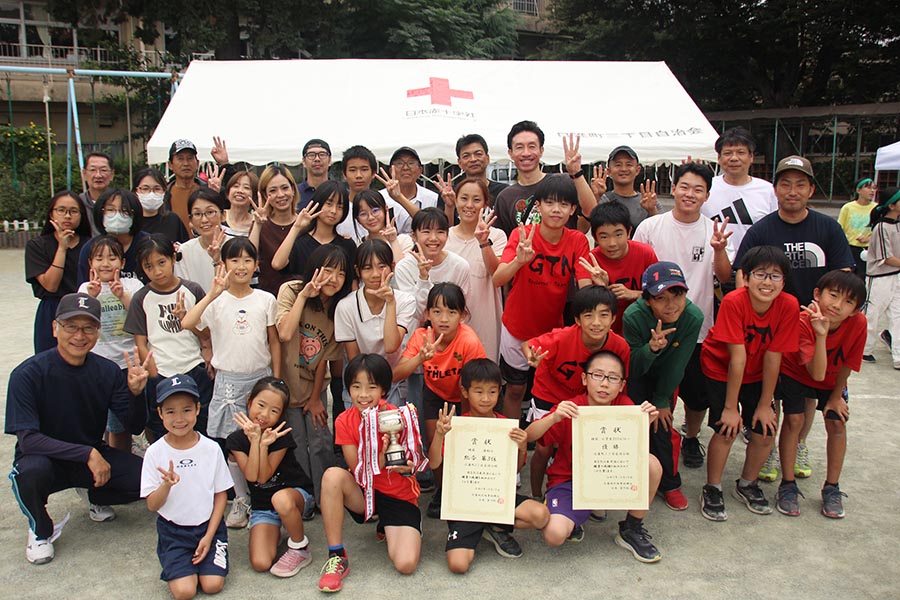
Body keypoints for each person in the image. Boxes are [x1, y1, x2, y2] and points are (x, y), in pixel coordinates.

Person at [735, 155, 854, 481]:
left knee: (808, 392)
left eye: (800, 184)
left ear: (811, 189)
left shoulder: (828, 228)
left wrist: (830, 319)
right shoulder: (762, 230)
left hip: (817, 327)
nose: (792, 191)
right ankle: (769, 446)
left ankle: (799, 443)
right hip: (772, 327)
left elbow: (844, 278)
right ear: (775, 190)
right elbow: (742, 276)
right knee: (771, 390)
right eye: (785, 184)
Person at [7, 293, 149, 565]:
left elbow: (134, 425)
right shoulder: (27, 374)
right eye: (71, 326)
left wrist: (134, 393)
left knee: (148, 480)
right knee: (28, 473)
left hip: (88, 458)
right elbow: (28, 442)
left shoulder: (106, 371)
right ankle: (40, 529)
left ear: (97, 332)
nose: (79, 335)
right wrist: (87, 454)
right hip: (44, 458)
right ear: (55, 328)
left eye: (88, 327)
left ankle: (92, 494)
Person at [633, 163, 734, 472]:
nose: (690, 194)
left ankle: (691, 436)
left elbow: (726, 276)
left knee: (696, 394)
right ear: (673, 189)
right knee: (651, 386)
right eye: (685, 187)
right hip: (655, 326)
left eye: (698, 189)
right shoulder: (651, 227)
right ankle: (649, 443)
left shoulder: (712, 230)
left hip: (698, 327)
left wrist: (718, 251)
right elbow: (641, 275)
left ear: (706, 195)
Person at [525, 350, 663, 562]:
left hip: (609, 477)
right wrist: (553, 417)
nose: (604, 384)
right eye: (597, 375)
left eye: (613, 378)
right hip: (569, 481)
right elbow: (529, 436)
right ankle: (575, 513)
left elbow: (634, 454)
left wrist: (645, 420)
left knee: (651, 464)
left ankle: (631, 528)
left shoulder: (626, 407)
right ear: (584, 378)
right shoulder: (571, 407)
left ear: (622, 385)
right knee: (554, 535)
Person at [181, 237, 280, 529]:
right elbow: (188, 323)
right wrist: (212, 294)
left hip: (260, 379)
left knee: (261, 439)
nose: (241, 266)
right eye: (234, 260)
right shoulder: (216, 301)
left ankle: (263, 494)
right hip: (228, 382)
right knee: (233, 443)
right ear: (223, 265)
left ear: (256, 265)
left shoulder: (265, 299)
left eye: (247, 260)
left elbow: (274, 340)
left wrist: (276, 376)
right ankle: (241, 498)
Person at [699, 246, 799, 521]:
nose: (767, 282)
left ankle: (747, 483)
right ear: (746, 277)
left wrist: (766, 404)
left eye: (775, 276)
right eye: (760, 274)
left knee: (766, 429)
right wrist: (732, 409)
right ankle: (713, 487)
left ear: (784, 281)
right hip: (721, 367)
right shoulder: (734, 301)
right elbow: (737, 359)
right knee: (726, 428)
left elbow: (773, 357)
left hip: (757, 371)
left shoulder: (789, 305)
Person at [317, 354, 427, 592]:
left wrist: (408, 466)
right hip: (364, 493)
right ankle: (336, 556)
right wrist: (379, 455)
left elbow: (413, 461)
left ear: (384, 390)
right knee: (332, 476)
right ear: (348, 389)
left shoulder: (398, 416)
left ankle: (398, 524)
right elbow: (357, 470)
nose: (363, 395)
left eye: (372, 387)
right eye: (356, 387)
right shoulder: (345, 420)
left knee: (405, 564)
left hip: (397, 494)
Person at [429, 359, 549, 572]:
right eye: (479, 392)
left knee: (541, 516)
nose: (486, 399)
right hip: (464, 504)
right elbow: (435, 463)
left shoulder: (505, 426)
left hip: (494, 497)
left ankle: (492, 525)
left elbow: (513, 471)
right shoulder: (456, 426)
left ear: (499, 392)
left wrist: (522, 447)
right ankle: (489, 525)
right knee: (458, 565)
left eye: (492, 392)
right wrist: (439, 435)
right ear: (465, 392)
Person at [492, 174, 592, 420]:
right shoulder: (521, 235)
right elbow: (497, 279)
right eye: (549, 203)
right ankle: (513, 444)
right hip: (516, 327)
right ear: (538, 206)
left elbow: (585, 286)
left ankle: (547, 444)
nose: (556, 210)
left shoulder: (577, 240)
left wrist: (598, 284)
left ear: (573, 210)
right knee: (515, 389)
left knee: (549, 391)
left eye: (564, 204)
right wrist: (519, 260)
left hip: (552, 332)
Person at [522, 285, 629, 500]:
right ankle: (535, 494)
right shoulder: (561, 338)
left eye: (604, 315)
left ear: (614, 318)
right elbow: (528, 345)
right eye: (588, 316)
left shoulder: (620, 346)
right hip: (549, 392)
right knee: (543, 447)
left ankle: (592, 493)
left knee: (589, 442)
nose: (596, 322)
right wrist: (531, 357)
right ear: (578, 320)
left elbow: (619, 380)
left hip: (587, 396)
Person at [776, 271, 866, 518]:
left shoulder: (858, 324)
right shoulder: (804, 320)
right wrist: (822, 334)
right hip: (796, 372)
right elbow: (815, 373)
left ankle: (832, 487)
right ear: (818, 294)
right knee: (794, 420)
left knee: (837, 422)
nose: (837, 305)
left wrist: (837, 395)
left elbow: (849, 361)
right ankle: (787, 484)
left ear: (856, 309)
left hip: (833, 378)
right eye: (833, 295)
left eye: (848, 301)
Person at [394, 283, 487, 518]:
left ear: (463, 315)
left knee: (464, 444)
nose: (443, 318)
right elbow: (396, 374)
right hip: (435, 394)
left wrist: (467, 417)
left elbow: (476, 384)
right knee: (436, 443)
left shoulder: (469, 341)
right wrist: (419, 358)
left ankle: (467, 489)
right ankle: (442, 491)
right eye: (437, 311)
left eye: (451, 312)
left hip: (466, 395)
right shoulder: (421, 337)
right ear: (427, 314)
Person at [141, 374, 232, 600]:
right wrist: (165, 485)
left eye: (186, 410)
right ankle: (177, 558)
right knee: (184, 592)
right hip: (173, 531)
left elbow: (221, 495)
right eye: (170, 411)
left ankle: (211, 549)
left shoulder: (211, 448)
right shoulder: (155, 452)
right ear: (160, 413)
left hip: (209, 527)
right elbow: (152, 505)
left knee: (212, 585)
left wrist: (209, 536)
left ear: (198, 409)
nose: (179, 418)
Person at [623, 262, 703, 510]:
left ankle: (669, 483)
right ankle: (625, 479)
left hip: (668, 374)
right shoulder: (633, 316)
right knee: (633, 423)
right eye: (661, 298)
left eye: (677, 294)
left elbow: (678, 364)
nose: (671, 304)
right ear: (647, 300)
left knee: (661, 424)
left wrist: (661, 399)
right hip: (639, 372)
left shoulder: (693, 316)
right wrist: (651, 348)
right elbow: (633, 366)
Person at [276, 245, 352, 503]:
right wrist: (304, 296)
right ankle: (303, 496)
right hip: (285, 386)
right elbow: (285, 334)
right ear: (314, 269)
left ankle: (325, 496)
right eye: (328, 270)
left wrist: (316, 398)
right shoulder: (290, 290)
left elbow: (325, 359)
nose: (333, 279)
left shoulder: (337, 308)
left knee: (319, 440)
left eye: (340, 274)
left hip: (313, 385)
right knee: (295, 441)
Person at [125, 235, 214, 441]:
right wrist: (154, 372)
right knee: (163, 430)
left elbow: (207, 334)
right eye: (149, 266)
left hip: (193, 367)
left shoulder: (192, 290)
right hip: (161, 372)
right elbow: (141, 342)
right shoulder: (141, 297)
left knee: (201, 426)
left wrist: (187, 320)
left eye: (162, 262)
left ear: (173, 258)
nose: (157, 271)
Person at [227, 377, 316, 577]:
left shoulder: (281, 435)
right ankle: (277, 530)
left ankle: (300, 548)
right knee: (260, 563)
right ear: (249, 401)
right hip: (263, 506)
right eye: (261, 405)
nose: (265, 415)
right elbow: (251, 476)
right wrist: (256, 440)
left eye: (274, 411)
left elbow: (264, 477)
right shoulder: (236, 440)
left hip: (295, 496)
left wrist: (263, 443)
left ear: (281, 415)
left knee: (280, 499)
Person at [78, 236, 144, 452]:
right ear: (90, 263)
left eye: (112, 258)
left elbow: (141, 318)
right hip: (100, 363)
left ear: (122, 263)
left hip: (129, 363)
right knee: (106, 421)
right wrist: (93, 297)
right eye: (99, 258)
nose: (105, 264)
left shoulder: (133, 285)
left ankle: (129, 458)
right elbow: (84, 324)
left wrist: (122, 295)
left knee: (128, 419)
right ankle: (110, 459)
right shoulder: (85, 289)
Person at [334, 240, 418, 405]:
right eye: (367, 268)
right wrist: (369, 391)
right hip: (360, 384)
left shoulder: (405, 301)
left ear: (392, 267)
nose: (375, 274)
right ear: (358, 271)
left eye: (382, 267)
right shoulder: (346, 306)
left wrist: (391, 303)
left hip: (394, 380)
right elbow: (354, 359)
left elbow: (391, 346)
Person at [445, 178, 508, 360]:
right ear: (455, 200)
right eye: (464, 198)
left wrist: (483, 243)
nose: (469, 205)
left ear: (486, 204)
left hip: (484, 321)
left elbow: (496, 273)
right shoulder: (445, 237)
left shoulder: (496, 235)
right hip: (449, 323)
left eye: (476, 200)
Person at [26, 190, 91, 352]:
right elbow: (51, 285)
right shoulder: (37, 245)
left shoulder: (91, 245)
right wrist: (62, 247)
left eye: (74, 211)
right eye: (61, 210)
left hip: (85, 306)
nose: (67, 216)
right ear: (51, 213)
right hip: (52, 309)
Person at [700, 127, 778, 260]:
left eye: (740, 152)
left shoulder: (768, 191)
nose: (734, 158)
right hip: (711, 263)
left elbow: (775, 231)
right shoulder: (706, 187)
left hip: (753, 265)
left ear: (751, 157)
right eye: (728, 153)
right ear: (719, 158)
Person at [588, 200, 658, 335]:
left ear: (629, 232)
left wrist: (633, 294)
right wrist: (603, 289)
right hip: (604, 334)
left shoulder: (645, 253)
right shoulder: (590, 261)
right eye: (604, 236)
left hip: (641, 332)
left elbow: (661, 295)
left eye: (618, 234)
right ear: (594, 237)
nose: (612, 243)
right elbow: (586, 307)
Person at [270, 180, 356, 277]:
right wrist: (296, 227)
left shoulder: (347, 245)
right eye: (329, 204)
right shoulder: (299, 243)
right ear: (318, 203)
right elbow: (277, 264)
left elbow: (352, 281)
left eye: (340, 206)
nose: (334, 211)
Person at [249, 165, 301, 295]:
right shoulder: (261, 225)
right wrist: (258, 225)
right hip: (269, 297)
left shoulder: (305, 222)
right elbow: (248, 256)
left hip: (302, 297)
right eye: (273, 190)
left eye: (285, 188)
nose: (280, 195)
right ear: (265, 196)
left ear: (293, 189)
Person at [862, 186, 900, 366]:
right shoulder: (881, 227)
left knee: (897, 316)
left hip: (896, 277)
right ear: (892, 205)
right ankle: (865, 349)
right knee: (872, 315)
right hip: (879, 279)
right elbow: (887, 258)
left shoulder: (897, 224)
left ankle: (898, 356)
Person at [77, 188, 149, 284]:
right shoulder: (90, 248)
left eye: (124, 210)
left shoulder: (148, 244)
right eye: (110, 210)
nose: (117, 215)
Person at [437, 133, 508, 223]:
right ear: (460, 163)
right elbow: (444, 232)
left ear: (487, 158)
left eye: (478, 154)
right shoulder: (449, 194)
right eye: (466, 156)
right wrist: (449, 206)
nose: (473, 159)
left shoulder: (504, 192)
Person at [174, 188, 230, 294]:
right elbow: (184, 291)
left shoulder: (236, 246)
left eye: (210, 212)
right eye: (197, 214)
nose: (204, 220)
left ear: (223, 215)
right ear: (190, 220)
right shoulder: (184, 251)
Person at [597, 145, 662, 232]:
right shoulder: (603, 200)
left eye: (629, 164)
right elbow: (586, 226)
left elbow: (661, 231)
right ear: (609, 171)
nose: (623, 169)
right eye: (618, 165)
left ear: (637, 170)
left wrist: (651, 210)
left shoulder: (650, 201)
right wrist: (596, 196)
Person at [380, 146, 439, 233]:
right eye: (399, 163)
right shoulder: (380, 198)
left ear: (420, 170)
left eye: (411, 163)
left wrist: (399, 197)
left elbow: (431, 226)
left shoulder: (433, 198)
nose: (405, 168)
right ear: (390, 170)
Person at [352, 189, 414, 262]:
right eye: (363, 214)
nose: (371, 217)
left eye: (375, 210)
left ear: (385, 210)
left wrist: (393, 241)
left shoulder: (403, 241)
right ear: (358, 220)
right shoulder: (358, 247)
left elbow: (402, 271)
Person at [135, 167, 189, 245]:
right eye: (145, 188)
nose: (151, 193)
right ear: (136, 191)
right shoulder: (130, 222)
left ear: (164, 191)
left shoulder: (173, 220)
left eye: (157, 189)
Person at [837, 178, 876, 279]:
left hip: (870, 249)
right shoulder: (848, 207)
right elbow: (839, 229)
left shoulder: (876, 208)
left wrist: (868, 239)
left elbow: (880, 231)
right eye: (868, 187)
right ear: (858, 190)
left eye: (874, 188)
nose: (872, 191)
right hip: (850, 248)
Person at [80, 152, 116, 235]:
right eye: (93, 170)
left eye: (103, 170)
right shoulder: (78, 203)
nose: (98, 175)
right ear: (84, 174)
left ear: (112, 174)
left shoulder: (121, 202)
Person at [221, 171, 259, 237]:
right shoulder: (218, 216)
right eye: (236, 186)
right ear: (228, 192)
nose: (240, 191)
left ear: (254, 196)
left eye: (246, 187)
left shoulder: (257, 222)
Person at [298, 139, 332, 210]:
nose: (317, 159)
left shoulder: (341, 193)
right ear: (303, 161)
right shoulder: (294, 194)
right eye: (311, 155)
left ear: (330, 160)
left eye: (322, 154)